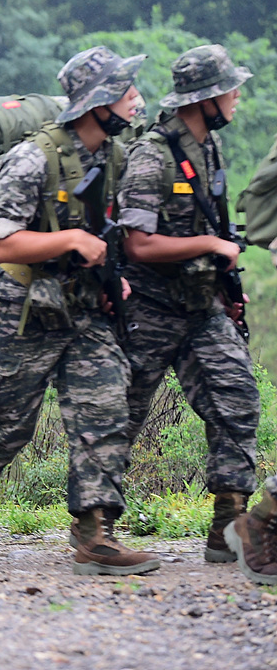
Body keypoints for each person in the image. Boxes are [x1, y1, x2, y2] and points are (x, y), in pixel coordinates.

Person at [0, 46, 160, 576]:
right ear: (98, 102)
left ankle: (95, 531)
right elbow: (0, 244)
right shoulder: (33, 157)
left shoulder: (114, 156)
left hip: (82, 309)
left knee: (106, 409)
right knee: (7, 425)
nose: (136, 101)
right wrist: (72, 240)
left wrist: (115, 276)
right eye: (125, 91)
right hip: (20, 311)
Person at [117, 44, 258, 565]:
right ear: (204, 100)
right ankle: (96, 527)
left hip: (201, 307)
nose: (237, 98)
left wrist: (225, 282)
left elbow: (211, 224)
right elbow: (138, 243)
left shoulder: (209, 148)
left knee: (236, 398)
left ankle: (229, 524)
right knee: (120, 418)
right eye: (229, 90)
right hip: (149, 309)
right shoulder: (152, 155)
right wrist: (211, 247)